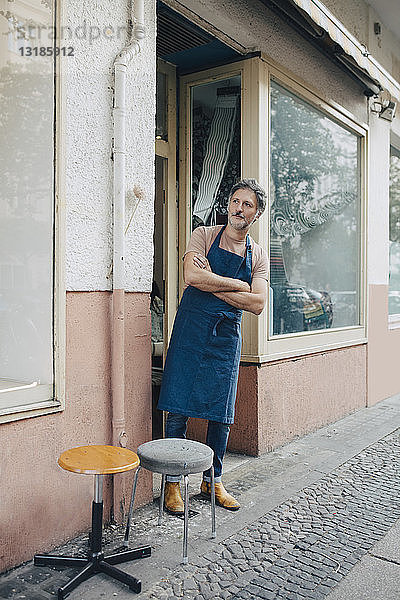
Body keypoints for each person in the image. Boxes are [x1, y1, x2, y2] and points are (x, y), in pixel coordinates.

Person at [157, 179, 269, 513]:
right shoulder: (203, 235)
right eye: (236, 201)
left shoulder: (259, 254)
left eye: (248, 204)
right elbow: (192, 277)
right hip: (192, 330)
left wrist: (213, 285)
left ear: (256, 213)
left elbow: (259, 303)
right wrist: (238, 284)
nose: (239, 208)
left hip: (225, 338)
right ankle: (172, 484)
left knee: (221, 413)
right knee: (178, 406)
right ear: (228, 204)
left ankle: (213, 480)